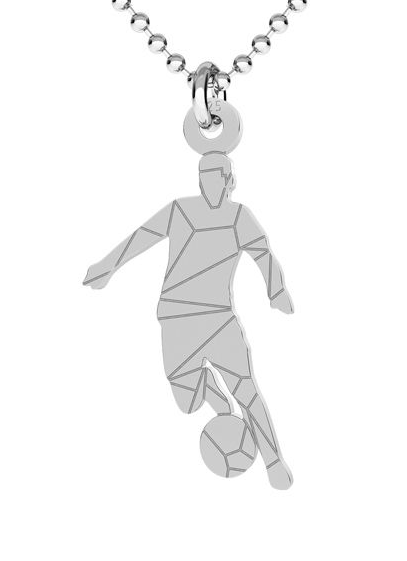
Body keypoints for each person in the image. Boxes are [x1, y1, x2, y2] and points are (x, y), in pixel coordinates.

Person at [84, 152, 294, 489]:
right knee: (186, 402)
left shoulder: (240, 217)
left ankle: (274, 463)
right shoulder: (179, 210)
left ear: (230, 180)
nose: (212, 182)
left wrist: (276, 290)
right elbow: (141, 237)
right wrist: (107, 266)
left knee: (247, 389)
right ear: (199, 180)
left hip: (219, 318)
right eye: (205, 175)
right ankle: (212, 391)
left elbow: (263, 255)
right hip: (176, 316)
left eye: (219, 174)